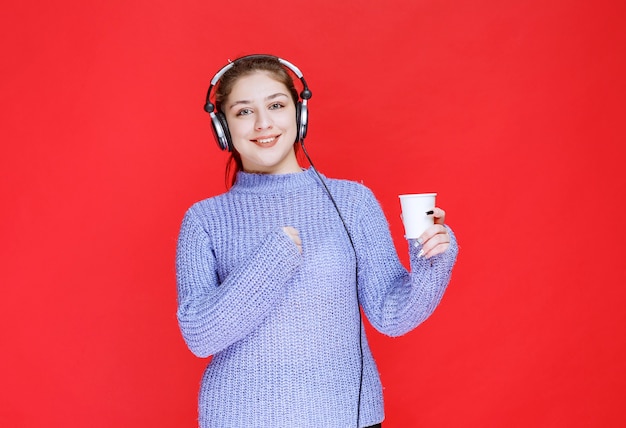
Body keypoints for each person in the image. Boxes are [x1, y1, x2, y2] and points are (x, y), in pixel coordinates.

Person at [176, 54, 458, 428]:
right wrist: (272, 261)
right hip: (239, 417)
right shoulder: (203, 219)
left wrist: (429, 261)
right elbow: (200, 335)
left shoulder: (352, 202)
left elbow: (391, 315)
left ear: (299, 114)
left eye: (276, 105)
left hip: (344, 416)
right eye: (244, 112)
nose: (263, 124)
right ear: (223, 127)